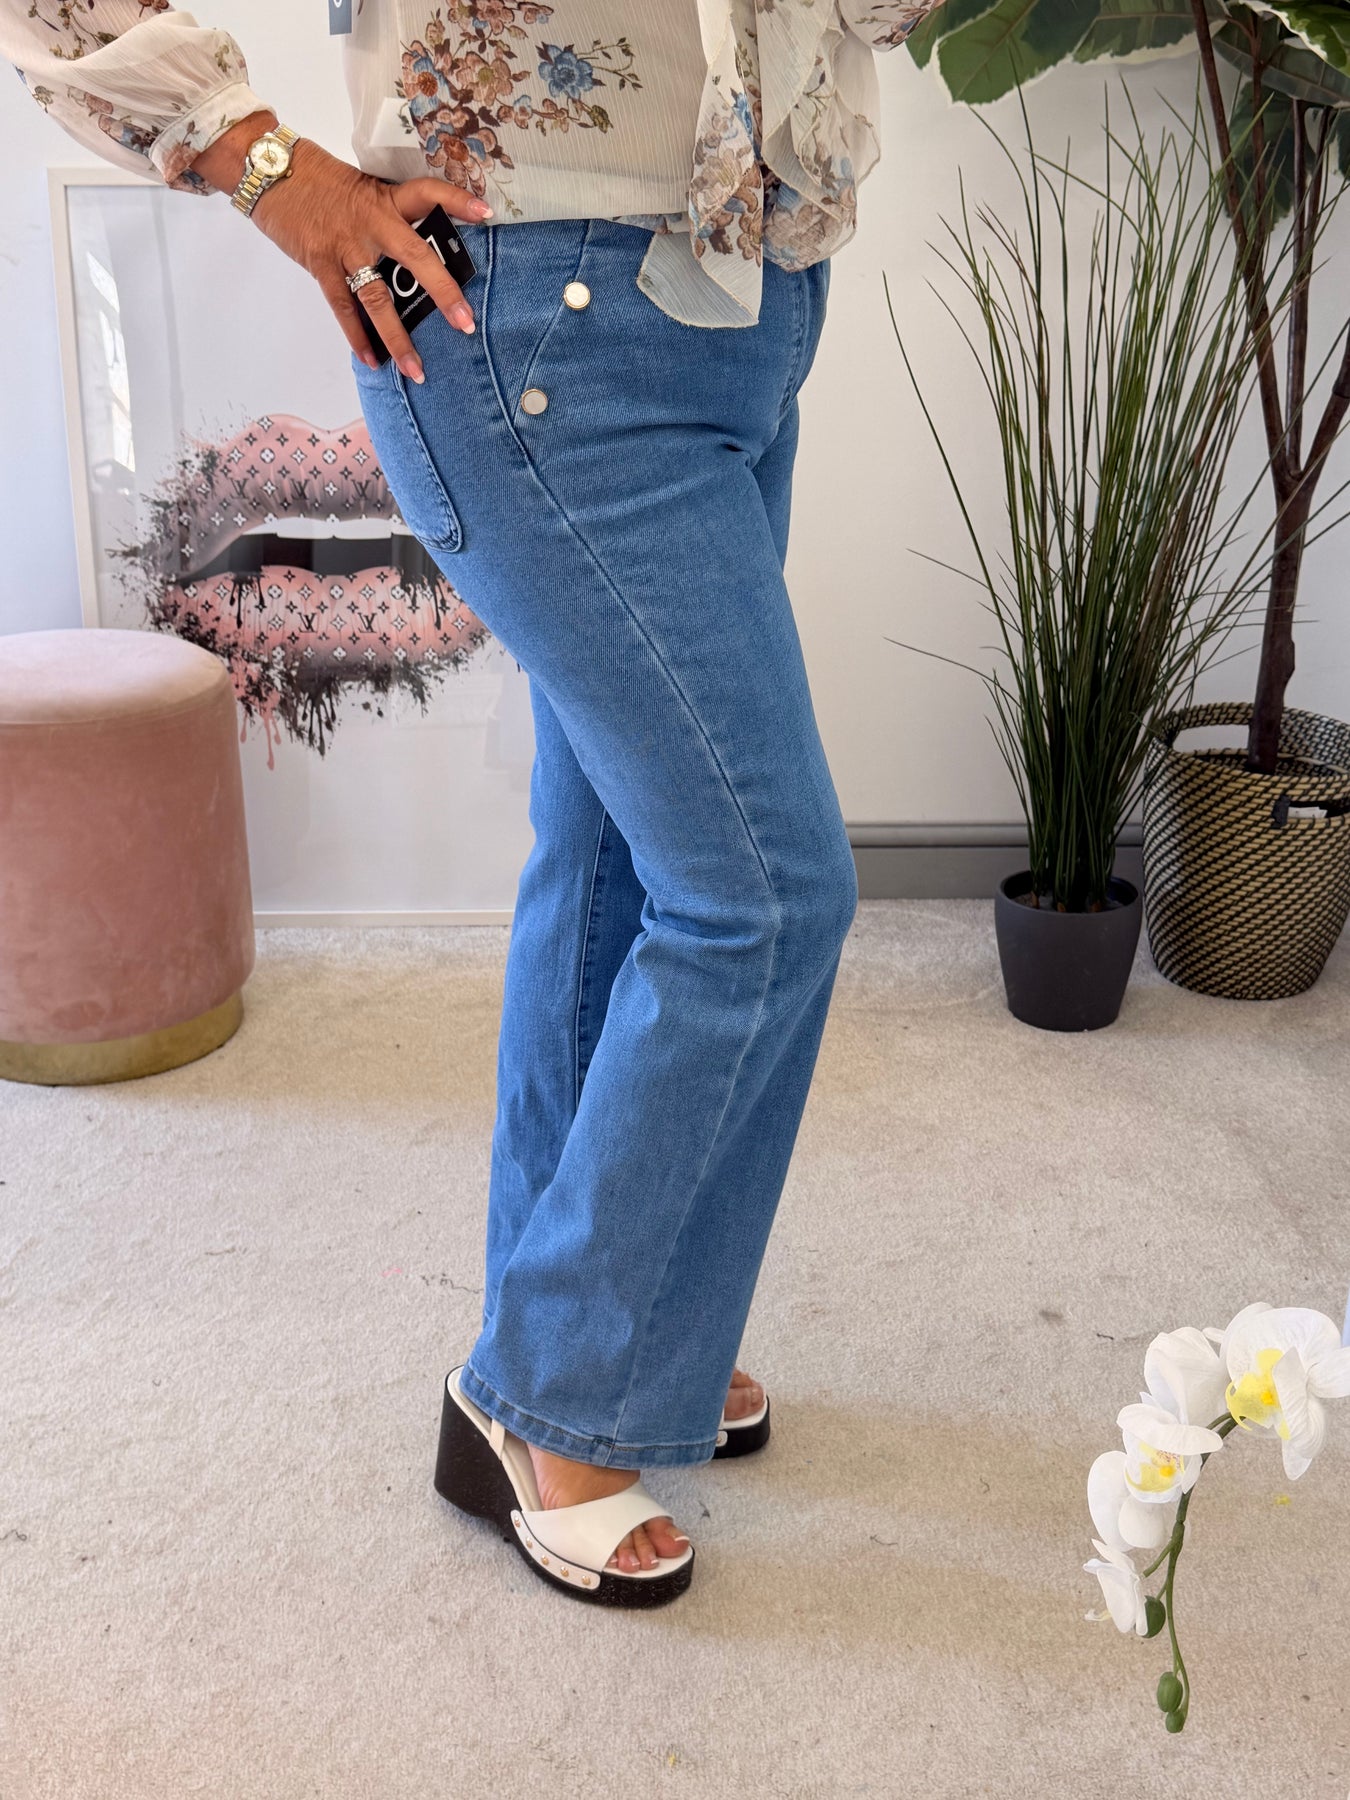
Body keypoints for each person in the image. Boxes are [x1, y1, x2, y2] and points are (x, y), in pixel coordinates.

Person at [2, 0, 947, 1606]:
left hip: (755, 294)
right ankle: (559, 1391)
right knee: (761, 891)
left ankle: (605, 1337)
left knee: (621, 855)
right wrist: (260, 164)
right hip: (530, 309)